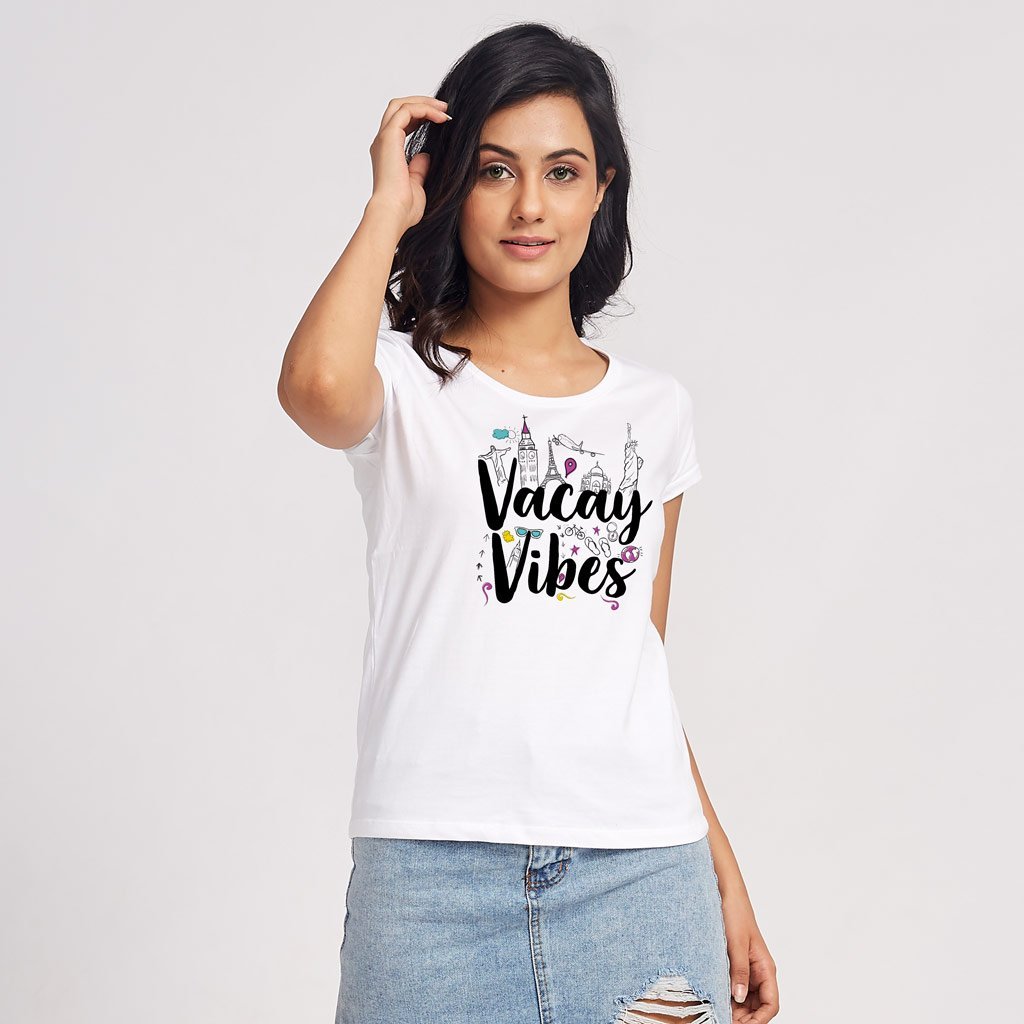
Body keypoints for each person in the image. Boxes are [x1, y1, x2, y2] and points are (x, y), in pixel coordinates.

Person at [277, 22, 779, 1024]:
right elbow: (315, 390)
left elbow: (637, 658)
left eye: (562, 172)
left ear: (601, 192)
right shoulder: (400, 381)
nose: (530, 206)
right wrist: (386, 207)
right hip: (430, 885)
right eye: (495, 170)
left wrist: (723, 872)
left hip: (644, 876)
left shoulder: (654, 411)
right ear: (449, 185)